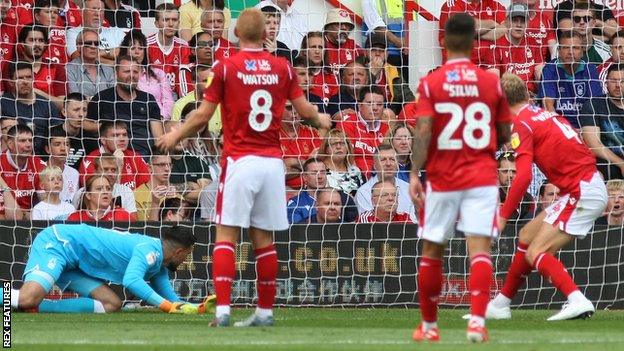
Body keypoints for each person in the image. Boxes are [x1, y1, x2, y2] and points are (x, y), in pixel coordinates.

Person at [156, 8, 331, 327]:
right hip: (271, 163)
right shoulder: (283, 67)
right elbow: (305, 111)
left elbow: (200, 116)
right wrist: (322, 120)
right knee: (264, 240)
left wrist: (175, 134)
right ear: (266, 34)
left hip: (239, 160)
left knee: (226, 235)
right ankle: (264, 312)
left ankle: (223, 311)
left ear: (236, 34)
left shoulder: (225, 66)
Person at [409, 14, 512, 343]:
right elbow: (505, 133)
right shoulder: (491, 81)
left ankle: (428, 327)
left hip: (443, 176)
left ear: (445, 40)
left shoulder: (431, 82)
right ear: (473, 41)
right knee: (479, 249)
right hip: (482, 175)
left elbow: (423, 131)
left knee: (432, 249)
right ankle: (478, 323)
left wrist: (414, 172)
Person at [485, 73, 606, 322]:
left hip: (582, 191)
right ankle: (501, 304)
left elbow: (523, 177)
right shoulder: (542, 114)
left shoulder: (522, 123)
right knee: (527, 236)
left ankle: (576, 299)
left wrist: (503, 216)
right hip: (583, 186)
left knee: (536, 252)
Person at [6, 223, 214, 314]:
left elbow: (171, 299)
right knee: (27, 297)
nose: (186, 259)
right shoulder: (149, 250)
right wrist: (168, 307)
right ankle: (25, 304)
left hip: (75, 264)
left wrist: (195, 308)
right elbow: (132, 281)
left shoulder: (159, 264)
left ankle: (36, 310)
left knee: (112, 304)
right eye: (187, 254)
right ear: (179, 252)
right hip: (59, 244)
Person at [85, 55, 164, 157]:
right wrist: (105, 126)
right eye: (126, 71)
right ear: (116, 74)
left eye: (135, 72)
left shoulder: (148, 99)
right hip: (112, 157)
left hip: (144, 157)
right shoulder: (102, 98)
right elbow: (86, 124)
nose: (131, 75)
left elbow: (158, 137)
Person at [538, 30, 603, 128]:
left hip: (586, 127)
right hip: (559, 127)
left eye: (575, 48)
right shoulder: (550, 69)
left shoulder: (590, 70)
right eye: (566, 48)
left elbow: (596, 105)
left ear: (582, 52)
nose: (570, 52)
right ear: (559, 51)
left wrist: (585, 130)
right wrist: (564, 130)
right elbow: (548, 105)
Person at [479, 3, 545, 93]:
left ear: (527, 23)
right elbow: (493, 83)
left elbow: (540, 74)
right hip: (508, 98)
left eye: (522, 21)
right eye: (514, 20)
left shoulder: (534, 43)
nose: (519, 25)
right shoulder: (495, 47)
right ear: (507, 22)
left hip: (531, 98)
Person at [0, 61, 62, 155]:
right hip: (11, 156)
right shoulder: (2, 103)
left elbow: (57, 136)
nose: (25, 82)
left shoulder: (48, 105)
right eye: (20, 78)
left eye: (28, 77)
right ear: (11, 82)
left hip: (42, 157)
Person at [580, 64, 624, 180]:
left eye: (622, 81)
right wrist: (621, 164)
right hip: (606, 168)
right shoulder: (593, 105)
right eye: (613, 80)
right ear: (606, 82)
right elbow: (593, 145)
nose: (618, 85)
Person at [120, 30, 175, 120]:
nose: (137, 52)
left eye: (141, 48)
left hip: (159, 120)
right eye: (133, 48)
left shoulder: (159, 74)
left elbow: (168, 101)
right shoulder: (120, 75)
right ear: (125, 51)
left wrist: (160, 117)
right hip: (131, 120)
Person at [336, 86, 389, 177]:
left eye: (379, 104)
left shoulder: (387, 129)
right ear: (360, 106)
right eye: (370, 103)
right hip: (355, 177)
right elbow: (347, 158)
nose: (375, 108)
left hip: (381, 177)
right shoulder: (348, 123)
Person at [80, 121, 150, 190]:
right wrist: (118, 167)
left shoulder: (135, 157)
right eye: (116, 135)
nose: (122, 139)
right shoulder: (91, 160)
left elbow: (146, 188)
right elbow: (96, 195)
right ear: (103, 140)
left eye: (125, 135)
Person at [438, 0, 507, 63]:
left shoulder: (495, 4)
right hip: (460, 65)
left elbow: (504, 27)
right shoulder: (451, 4)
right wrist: (491, 23)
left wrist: (472, 35)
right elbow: (461, 29)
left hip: (492, 64)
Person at [0, 125, 47, 217]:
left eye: (30, 140)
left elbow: (47, 204)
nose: (28, 145)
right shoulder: (1, 163)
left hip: (30, 221)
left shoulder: (37, 164)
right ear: (10, 144)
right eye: (22, 141)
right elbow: (9, 216)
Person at [147, 4, 192, 99]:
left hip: (176, 98)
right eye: (166, 20)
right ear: (156, 23)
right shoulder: (146, 45)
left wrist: (184, 103)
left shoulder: (183, 46)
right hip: (152, 98)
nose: (171, 24)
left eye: (174, 20)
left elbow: (185, 80)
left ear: (179, 23)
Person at [355, 144, 414, 215]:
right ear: (375, 166)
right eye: (383, 160)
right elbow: (368, 223)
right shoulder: (363, 193)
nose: (388, 164)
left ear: (397, 165)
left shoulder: (409, 190)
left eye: (392, 159)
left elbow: (414, 220)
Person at [364, 32, 414, 114]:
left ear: (387, 54)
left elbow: (408, 98)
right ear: (365, 53)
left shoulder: (393, 71)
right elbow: (357, 96)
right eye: (373, 50)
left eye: (381, 51)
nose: (377, 53)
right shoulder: (358, 70)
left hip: (390, 116)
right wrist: (372, 74)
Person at [73, 154, 137, 216]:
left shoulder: (126, 192)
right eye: (105, 169)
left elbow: (131, 222)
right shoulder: (81, 193)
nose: (110, 174)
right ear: (95, 171)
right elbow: (76, 217)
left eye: (113, 170)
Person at [65, 0, 126, 66]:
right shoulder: (72, 33)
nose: (97, 14)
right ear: (81, 12)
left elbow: (129, 54)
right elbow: (80, 59)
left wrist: (103, 53)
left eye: (101, 10)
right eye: (93, 9)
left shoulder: (117, 32)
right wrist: (115, 64)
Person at [13, 25, 66, 100]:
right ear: (22, 44)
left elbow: (62, 103)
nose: (37, 44)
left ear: (46, 44)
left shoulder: (56, 67)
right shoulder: (12, 67)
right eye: (32, 40)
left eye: (41, 40)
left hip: (51, 111)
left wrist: (36, 92)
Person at [280, 102, 323, 190]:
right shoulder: (269, 135)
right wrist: (307, 163)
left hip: (312, 190)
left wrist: (292, 162)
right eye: (289, 108)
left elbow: (318, 167)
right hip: (280, 190)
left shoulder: (312, 133)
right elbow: (275, 173)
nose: (295, 111)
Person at [65, 28, 116, 98]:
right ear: (79, 46)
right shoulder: (69, 69)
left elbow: (114, 97)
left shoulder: (109, 70)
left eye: (96, 43)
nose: (93, 47)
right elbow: (75, 99)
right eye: (88, 43)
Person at [171, 65, 221, 133]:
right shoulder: (180, 106)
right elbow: (175, 137)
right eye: (205, 81)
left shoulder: (222, 103)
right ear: (194, 84)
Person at [55, 93, 99, 170]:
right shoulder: (52, 135)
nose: (81, 114)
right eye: (76, 110)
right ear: (64, 112)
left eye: (84, 110)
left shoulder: (90, 140)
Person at [67, 175, 133, 222]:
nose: (105, 192)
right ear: (88, 195)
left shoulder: (123, 215)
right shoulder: (75, 219)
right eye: (99, 189)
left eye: (108, 188)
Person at [133, 152, 178, 221]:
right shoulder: (136, 195)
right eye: (162, 165)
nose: (167, 169)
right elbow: (144, 229)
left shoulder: (176, 195)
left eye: (169, 165)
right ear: (149, 168)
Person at [319, 128, 364, 196]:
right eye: (334, 144)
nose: (338, 147)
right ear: (326, 149)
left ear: (348, 147)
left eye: (342, 143)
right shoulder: (319, 171)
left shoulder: (355, 171)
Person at [299, 31, 339, 104]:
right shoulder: (294, 74)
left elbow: (335, 106)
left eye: (320, 47)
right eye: (313, 47)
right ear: (304, 51)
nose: (317, 51)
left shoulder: (331, 77)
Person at [46, 128, 79, 204]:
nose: (63, 149)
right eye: (57, 144)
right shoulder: (40, 170)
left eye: (66, 144)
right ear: (47, 149)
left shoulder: (74, 173)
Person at [498, 152, 534, 219]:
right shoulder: (492, 198)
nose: (510, 175)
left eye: (514, 172)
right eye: (505, 171)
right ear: (497, 173)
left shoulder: (528, 198)